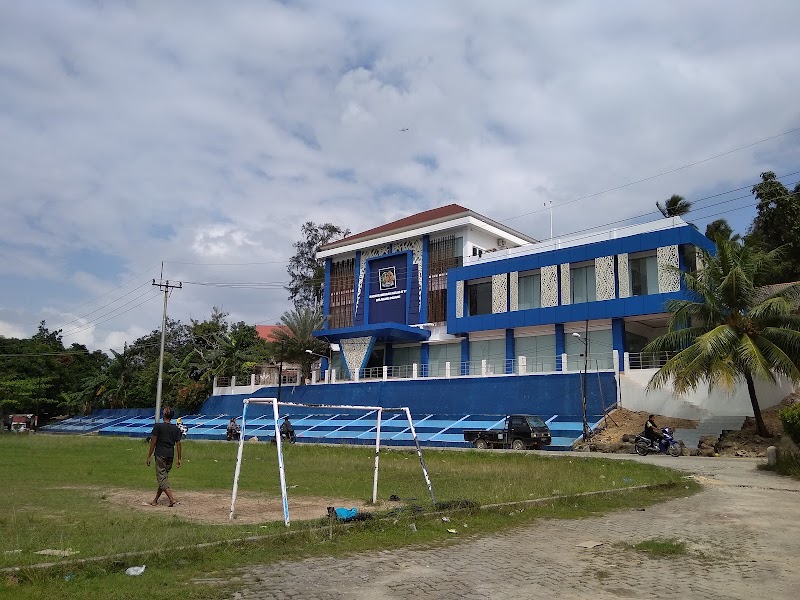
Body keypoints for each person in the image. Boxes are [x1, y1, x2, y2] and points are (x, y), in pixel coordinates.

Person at [146, 406, 182, 507]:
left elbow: (153, 442)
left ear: (164, 415)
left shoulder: (158, 427)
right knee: (163, 478)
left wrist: (149, 456)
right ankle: (155, 500)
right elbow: (179, 444)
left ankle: (171, 499)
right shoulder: (175, 429)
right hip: (170, 455)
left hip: (160, 455)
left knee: (161, 478)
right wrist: (179, 458)